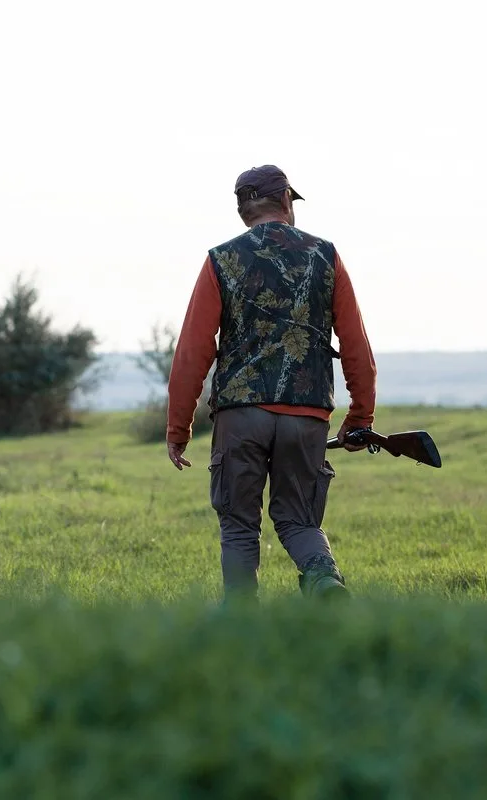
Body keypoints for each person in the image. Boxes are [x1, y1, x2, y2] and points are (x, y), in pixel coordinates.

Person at [166, 164, 377, 602]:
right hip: (307, 416)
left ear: (244, 211)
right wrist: (360, 415)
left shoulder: (220, 260)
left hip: (240, 417)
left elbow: (192, 352)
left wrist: (178, 429)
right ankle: (323, 581)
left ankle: (241, 621)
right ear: (285, 201)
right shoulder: (326, 256)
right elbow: (355, 343)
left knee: (240, 525)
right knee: (300, 521)